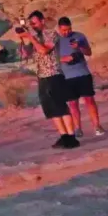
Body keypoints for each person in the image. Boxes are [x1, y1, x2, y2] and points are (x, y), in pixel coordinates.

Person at [18, 11, 79, 149]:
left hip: (54, 74)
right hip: (42, 76)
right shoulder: (34, 36)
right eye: (31, 24)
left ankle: (72, 137)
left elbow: (44, 50)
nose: (33, 26)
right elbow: (25, 54)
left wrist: (31, 37)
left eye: (34, 23)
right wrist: (23, 40)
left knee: (61, 106)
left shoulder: (51, 34)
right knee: (51, 109)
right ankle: (64, 136)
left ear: (42, 21)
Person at [57, 17, 105, 137]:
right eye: (64, 30)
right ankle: (78, 129)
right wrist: (65, 59)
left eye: (69, 29)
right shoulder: (55, 41)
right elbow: (52, 59)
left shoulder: (79, 36)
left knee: (90, 101)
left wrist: (79, 47)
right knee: (73, 104)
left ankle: (97, 126)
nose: (66, 32)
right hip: (67, 77)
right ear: (59, 29)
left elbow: (88, 52)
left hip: (83, 73)